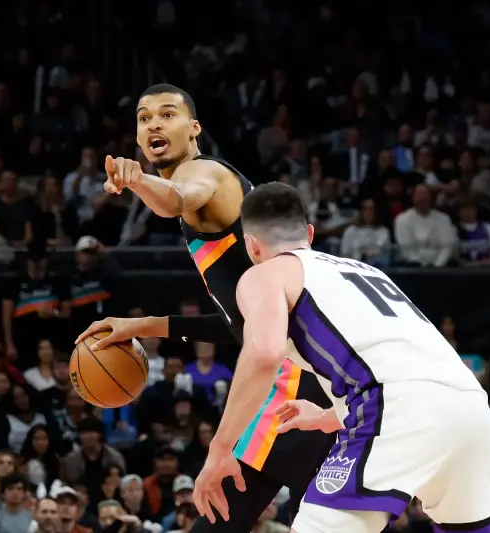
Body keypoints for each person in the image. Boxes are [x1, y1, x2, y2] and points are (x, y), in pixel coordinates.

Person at [76, 83, 337, 533]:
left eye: (167, 114)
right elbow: (238, 325)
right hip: (322, 377)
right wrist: (141, 326)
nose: (154, 124)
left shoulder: (206, 176)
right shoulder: (211, 198)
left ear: (194, 128)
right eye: (144, 118)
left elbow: (177, 198)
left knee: (222, 519)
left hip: (300, 381)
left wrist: (137, 180)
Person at [193, 182, 490, 533]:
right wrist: (331, 415)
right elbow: (401, 363)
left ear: (251, 244)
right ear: (310, 234)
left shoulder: (264, 274)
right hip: (470, 405)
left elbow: (264, 354)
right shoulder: (365, 271)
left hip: (395, 408)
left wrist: (220, 448)